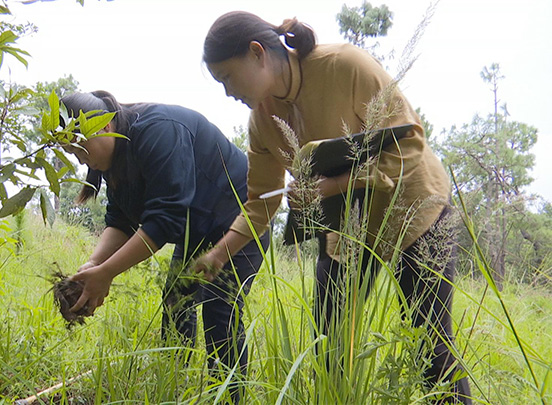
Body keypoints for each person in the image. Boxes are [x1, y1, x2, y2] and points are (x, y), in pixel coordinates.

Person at [196, 11, 472, 404]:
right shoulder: (262, 121)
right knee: (329, 343)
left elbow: (410, 146)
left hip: (415, 209)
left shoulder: (345, 65)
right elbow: (260, 201)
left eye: (227, 78)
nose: (227, 92)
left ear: (257, 53)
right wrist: (218, 254)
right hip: (347, 228)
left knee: (430, 344)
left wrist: (330, 186)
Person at [60, 90, 269, 399]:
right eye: (71, 152)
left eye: (80, 147)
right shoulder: (115, 160)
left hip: (240, 220)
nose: (78, 158)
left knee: (219, 307)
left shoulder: (159, 130)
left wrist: (106, 274)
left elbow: (164, 221)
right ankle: (172, 385)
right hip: (196, 230)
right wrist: (94, 265)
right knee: (176, 301)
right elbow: (120, 221)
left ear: (104, 127)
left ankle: (229, 396)